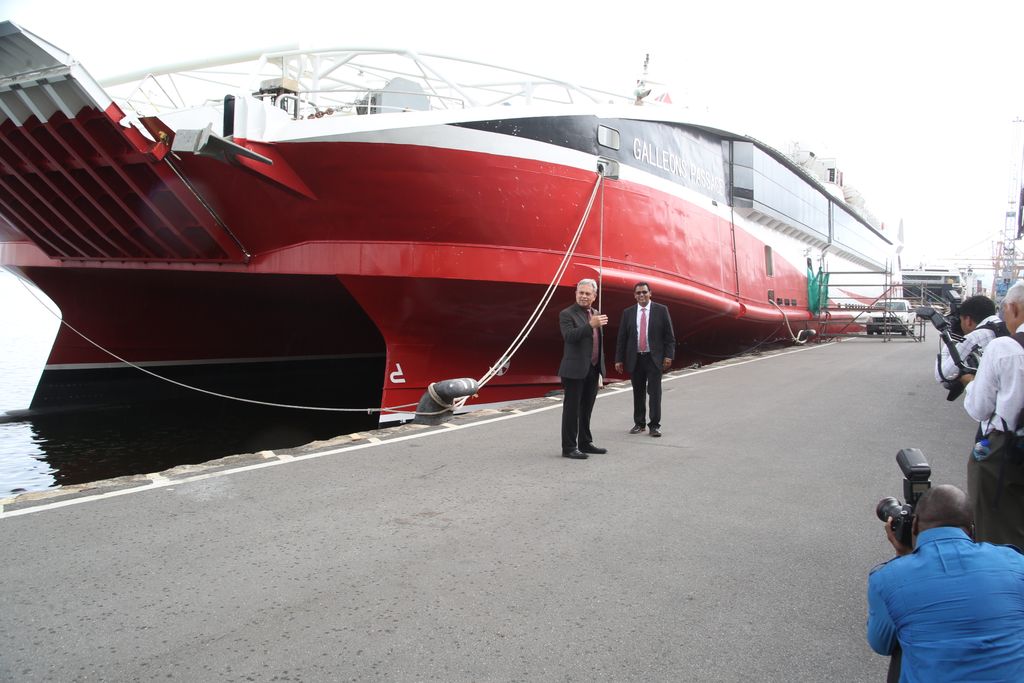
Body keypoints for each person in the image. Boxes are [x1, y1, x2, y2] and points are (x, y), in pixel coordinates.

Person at [867, 484, 1024, 682]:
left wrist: (903, 559)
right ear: (972, 530)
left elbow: (881, 644)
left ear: (914, 526)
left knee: (902, 633)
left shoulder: (887, 578)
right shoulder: (1015, 562)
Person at [961, 281, 1024, 546]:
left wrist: (969, 383)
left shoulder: (1005, 349)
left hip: (1009, 451)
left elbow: (980, 408)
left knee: (997, 529)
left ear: (1013, 308)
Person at [614, 282, 675, 437]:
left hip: (654, 358)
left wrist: (669, 356)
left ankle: (654, 425)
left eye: (644, 292)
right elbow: (622, 338)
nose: (641, 295)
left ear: (650, 293)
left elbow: (669, 337)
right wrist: (618, 359)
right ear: (634, 295)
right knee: (638, 392)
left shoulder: (661, 310)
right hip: (636, 358)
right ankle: (639, 423)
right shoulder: (627, 313)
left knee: (654, 393)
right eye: (638, 293)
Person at [558, 278, 608, 459]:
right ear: (576, 294)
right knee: (572, 410)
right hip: (574, 370)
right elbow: (569, 337)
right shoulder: (567, 314)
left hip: (592, 370)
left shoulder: (596, 313)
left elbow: (599, 344)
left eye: (588, 293)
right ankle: (569, 447)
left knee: (587, 408)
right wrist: (590, 326)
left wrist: (601, 371)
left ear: (594, 296)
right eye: (581, 293)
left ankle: (585, 443)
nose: (584, 296)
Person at [934, 294, 1003, 385]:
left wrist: (950, 337)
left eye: (961, 320)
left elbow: (942, 375)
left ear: (968, 320)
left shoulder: (974, 338)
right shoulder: (1009, 327)